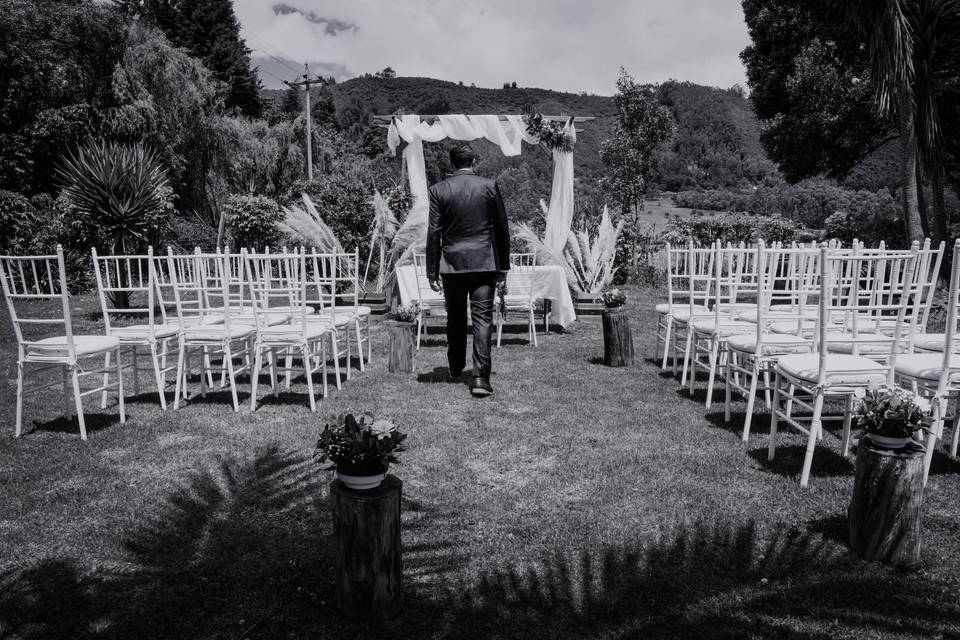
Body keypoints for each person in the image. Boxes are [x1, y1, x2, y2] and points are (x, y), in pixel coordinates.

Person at [426, 144, 511, 397]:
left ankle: (454, 367)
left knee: (455, 316)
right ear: (473, 160)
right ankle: (480, 379)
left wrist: (431, 270)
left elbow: (433, 232)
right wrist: (503, 265)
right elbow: (502, 228)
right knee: (482, 318)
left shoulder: (438, 190)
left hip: (451, 264)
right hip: (484, 262)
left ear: (451, 163)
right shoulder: (490, 186)